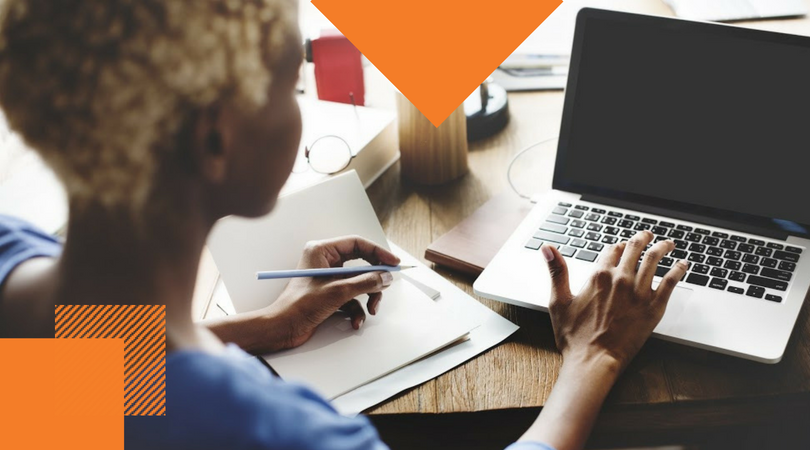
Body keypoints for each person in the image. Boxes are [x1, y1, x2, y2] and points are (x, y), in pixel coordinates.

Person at [0, 1, 689, 449]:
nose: (299, 106)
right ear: (215, 141)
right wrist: (593, 356)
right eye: (289, 86)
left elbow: (79, 395)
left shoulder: (13, 270)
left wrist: (258, 329)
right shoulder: (274, 433)